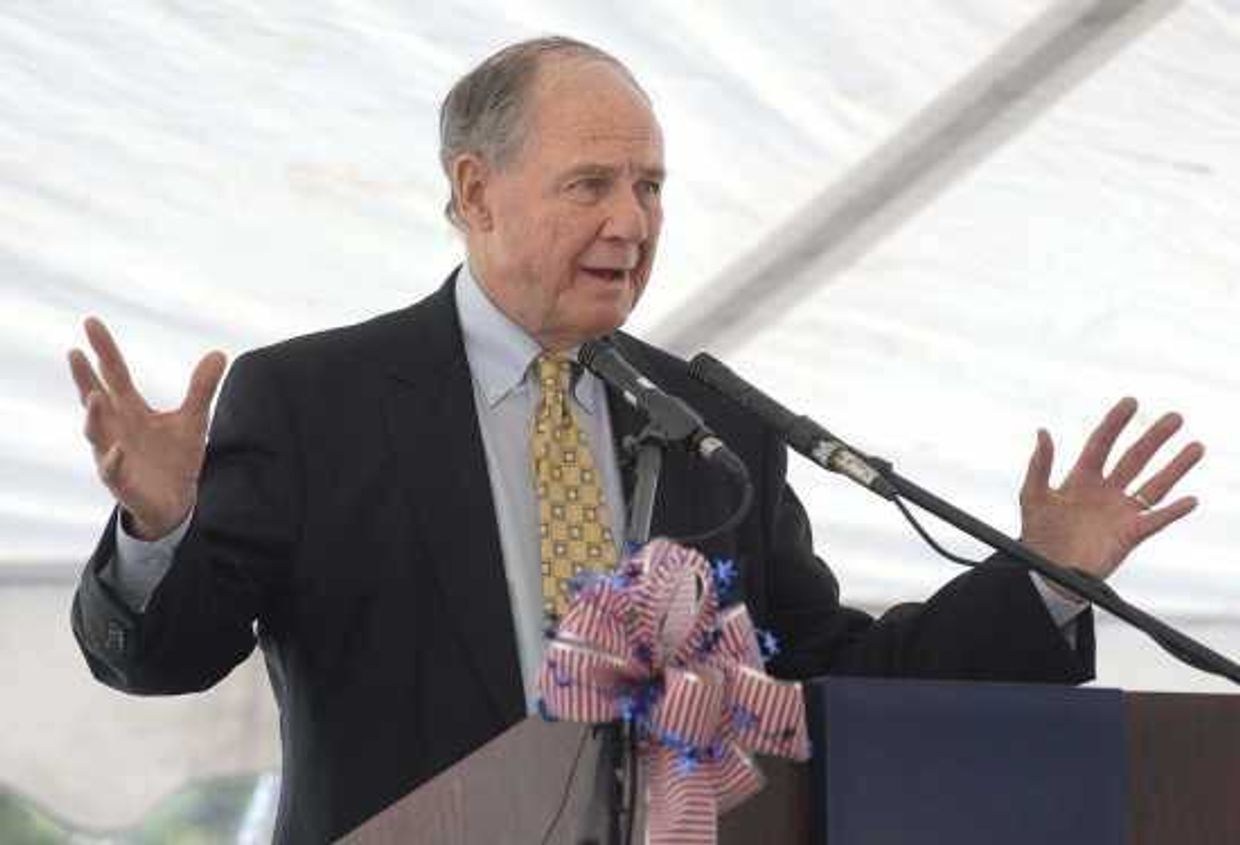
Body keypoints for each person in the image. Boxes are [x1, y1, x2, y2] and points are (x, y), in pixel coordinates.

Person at [68, 36, 1203, 844]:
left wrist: (1041, 583)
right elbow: (161, 657)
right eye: (591, 184)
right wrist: (162, 526)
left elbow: (823, 675)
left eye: (650, 186)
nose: (633, 221)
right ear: (476, 191)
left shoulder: (715, 423)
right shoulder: (317, 397)